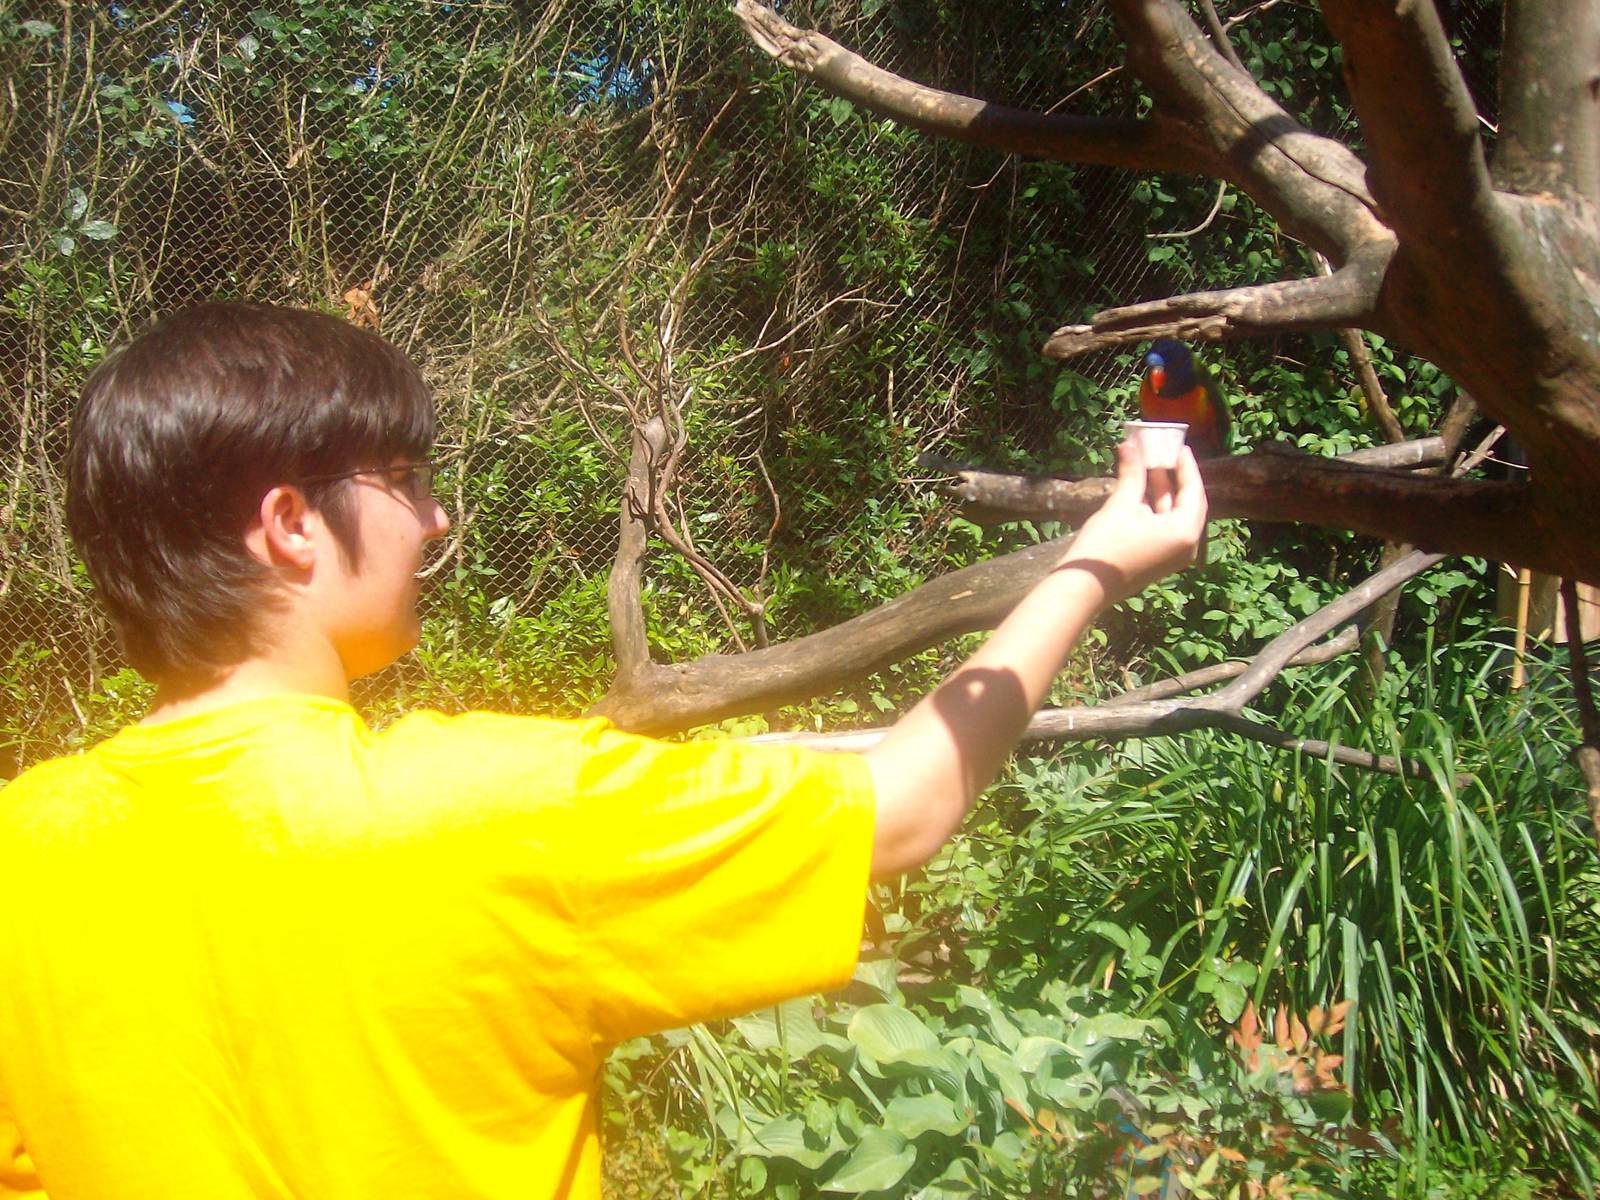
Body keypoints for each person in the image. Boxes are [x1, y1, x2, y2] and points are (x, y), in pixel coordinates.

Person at [0, 302, 1206, 1199]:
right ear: (288, 526)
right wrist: (1096, 559)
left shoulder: (24, 848)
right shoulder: (490, 808)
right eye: (408, 479)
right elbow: (906, 801)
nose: (435, 517)